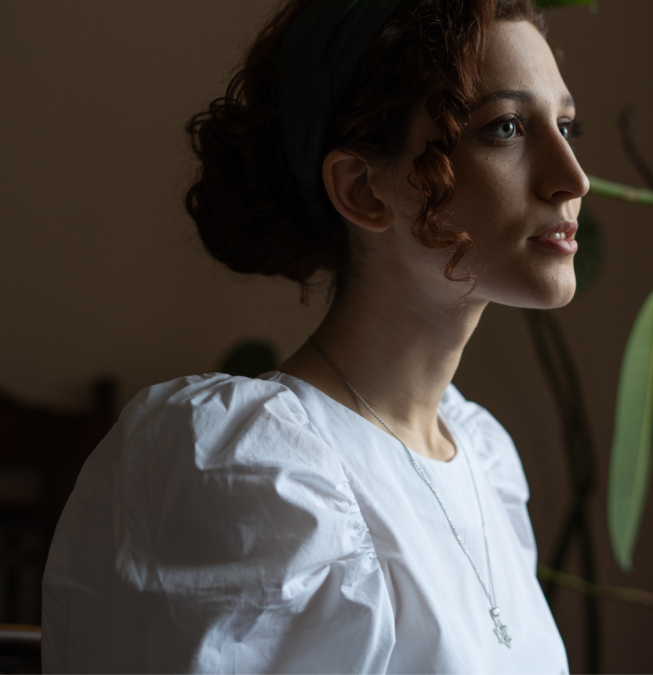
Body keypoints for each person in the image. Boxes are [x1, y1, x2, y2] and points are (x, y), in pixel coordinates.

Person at [41, 0, 587, 671]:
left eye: (566, 124)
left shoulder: (484, 459)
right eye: (505, 127)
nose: (573, 178)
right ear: (363, 188)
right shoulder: (254, 475)